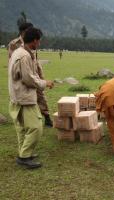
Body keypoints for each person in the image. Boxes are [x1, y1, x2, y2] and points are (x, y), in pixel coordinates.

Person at [8, 27, 54, 169]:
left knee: (22, 128)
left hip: (16, 96)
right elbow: (28, 79)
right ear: (34, 40)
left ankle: (23, 153)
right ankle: (24, 156)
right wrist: (44, 83)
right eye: (39, 41)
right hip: (25, 97)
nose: (39, 43)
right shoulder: (25, 56)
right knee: (36, 127)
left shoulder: (18, 52)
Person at [8, 23, 53, 127]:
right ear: (23, 32)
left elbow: (34, 59)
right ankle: (25, 121)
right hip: (22, 73)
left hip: (34, 71)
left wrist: (40, 77)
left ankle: (46, 117)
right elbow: (12, 61)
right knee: (26, 97)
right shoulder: (14, 44)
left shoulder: (31, 43)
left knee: (40, 95)